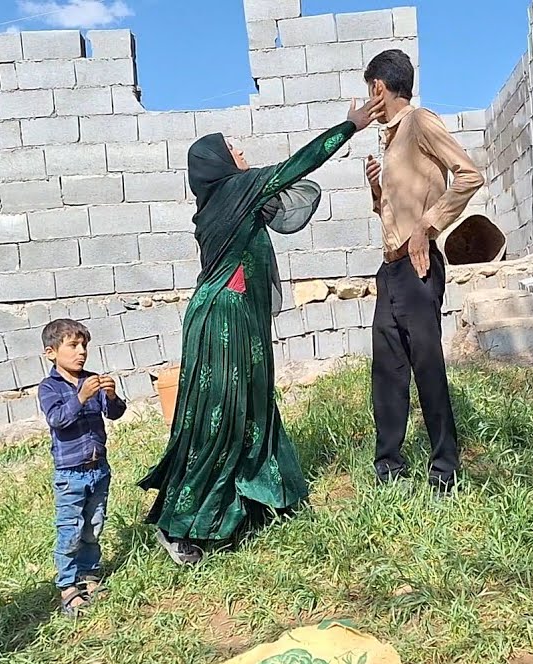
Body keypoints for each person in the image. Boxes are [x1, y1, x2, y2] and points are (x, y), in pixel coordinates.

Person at [139, 99, 379, 566]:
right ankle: (179, 525)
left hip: (239, 319)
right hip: (222, 321)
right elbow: (296, 167)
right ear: (219, 164)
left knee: (251, 409)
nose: (242, 150)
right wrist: (350, 125)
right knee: (219, 420)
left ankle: (251, 503)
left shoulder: (229, 198)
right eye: (233, 147)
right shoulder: (233, 191)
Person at [362, 49, 485, 493]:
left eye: (368, 91)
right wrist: (378, 189)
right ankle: (389, 469)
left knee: (427, 366)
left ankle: (444, 471)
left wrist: (428, 227)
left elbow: (469, 175)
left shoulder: (419, 122)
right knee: (387, 370)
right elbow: (390, 214)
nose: (368, 100)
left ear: (379, 88)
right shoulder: (391, 141)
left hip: (418, 266)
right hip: (390, 270)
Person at [37, 318, 128, 617]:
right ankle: (67, 587)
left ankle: (89, 575)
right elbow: (58, 420)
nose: (81, 352)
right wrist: (81, 397)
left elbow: (114, 414)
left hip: (98, 468)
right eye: (73, 346)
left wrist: (112, 396)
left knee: (93, 525)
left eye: (84, 346)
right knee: (70, 530)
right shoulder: (49, 388)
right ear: (51, 352)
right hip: (70, 474)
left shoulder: (92, 379)